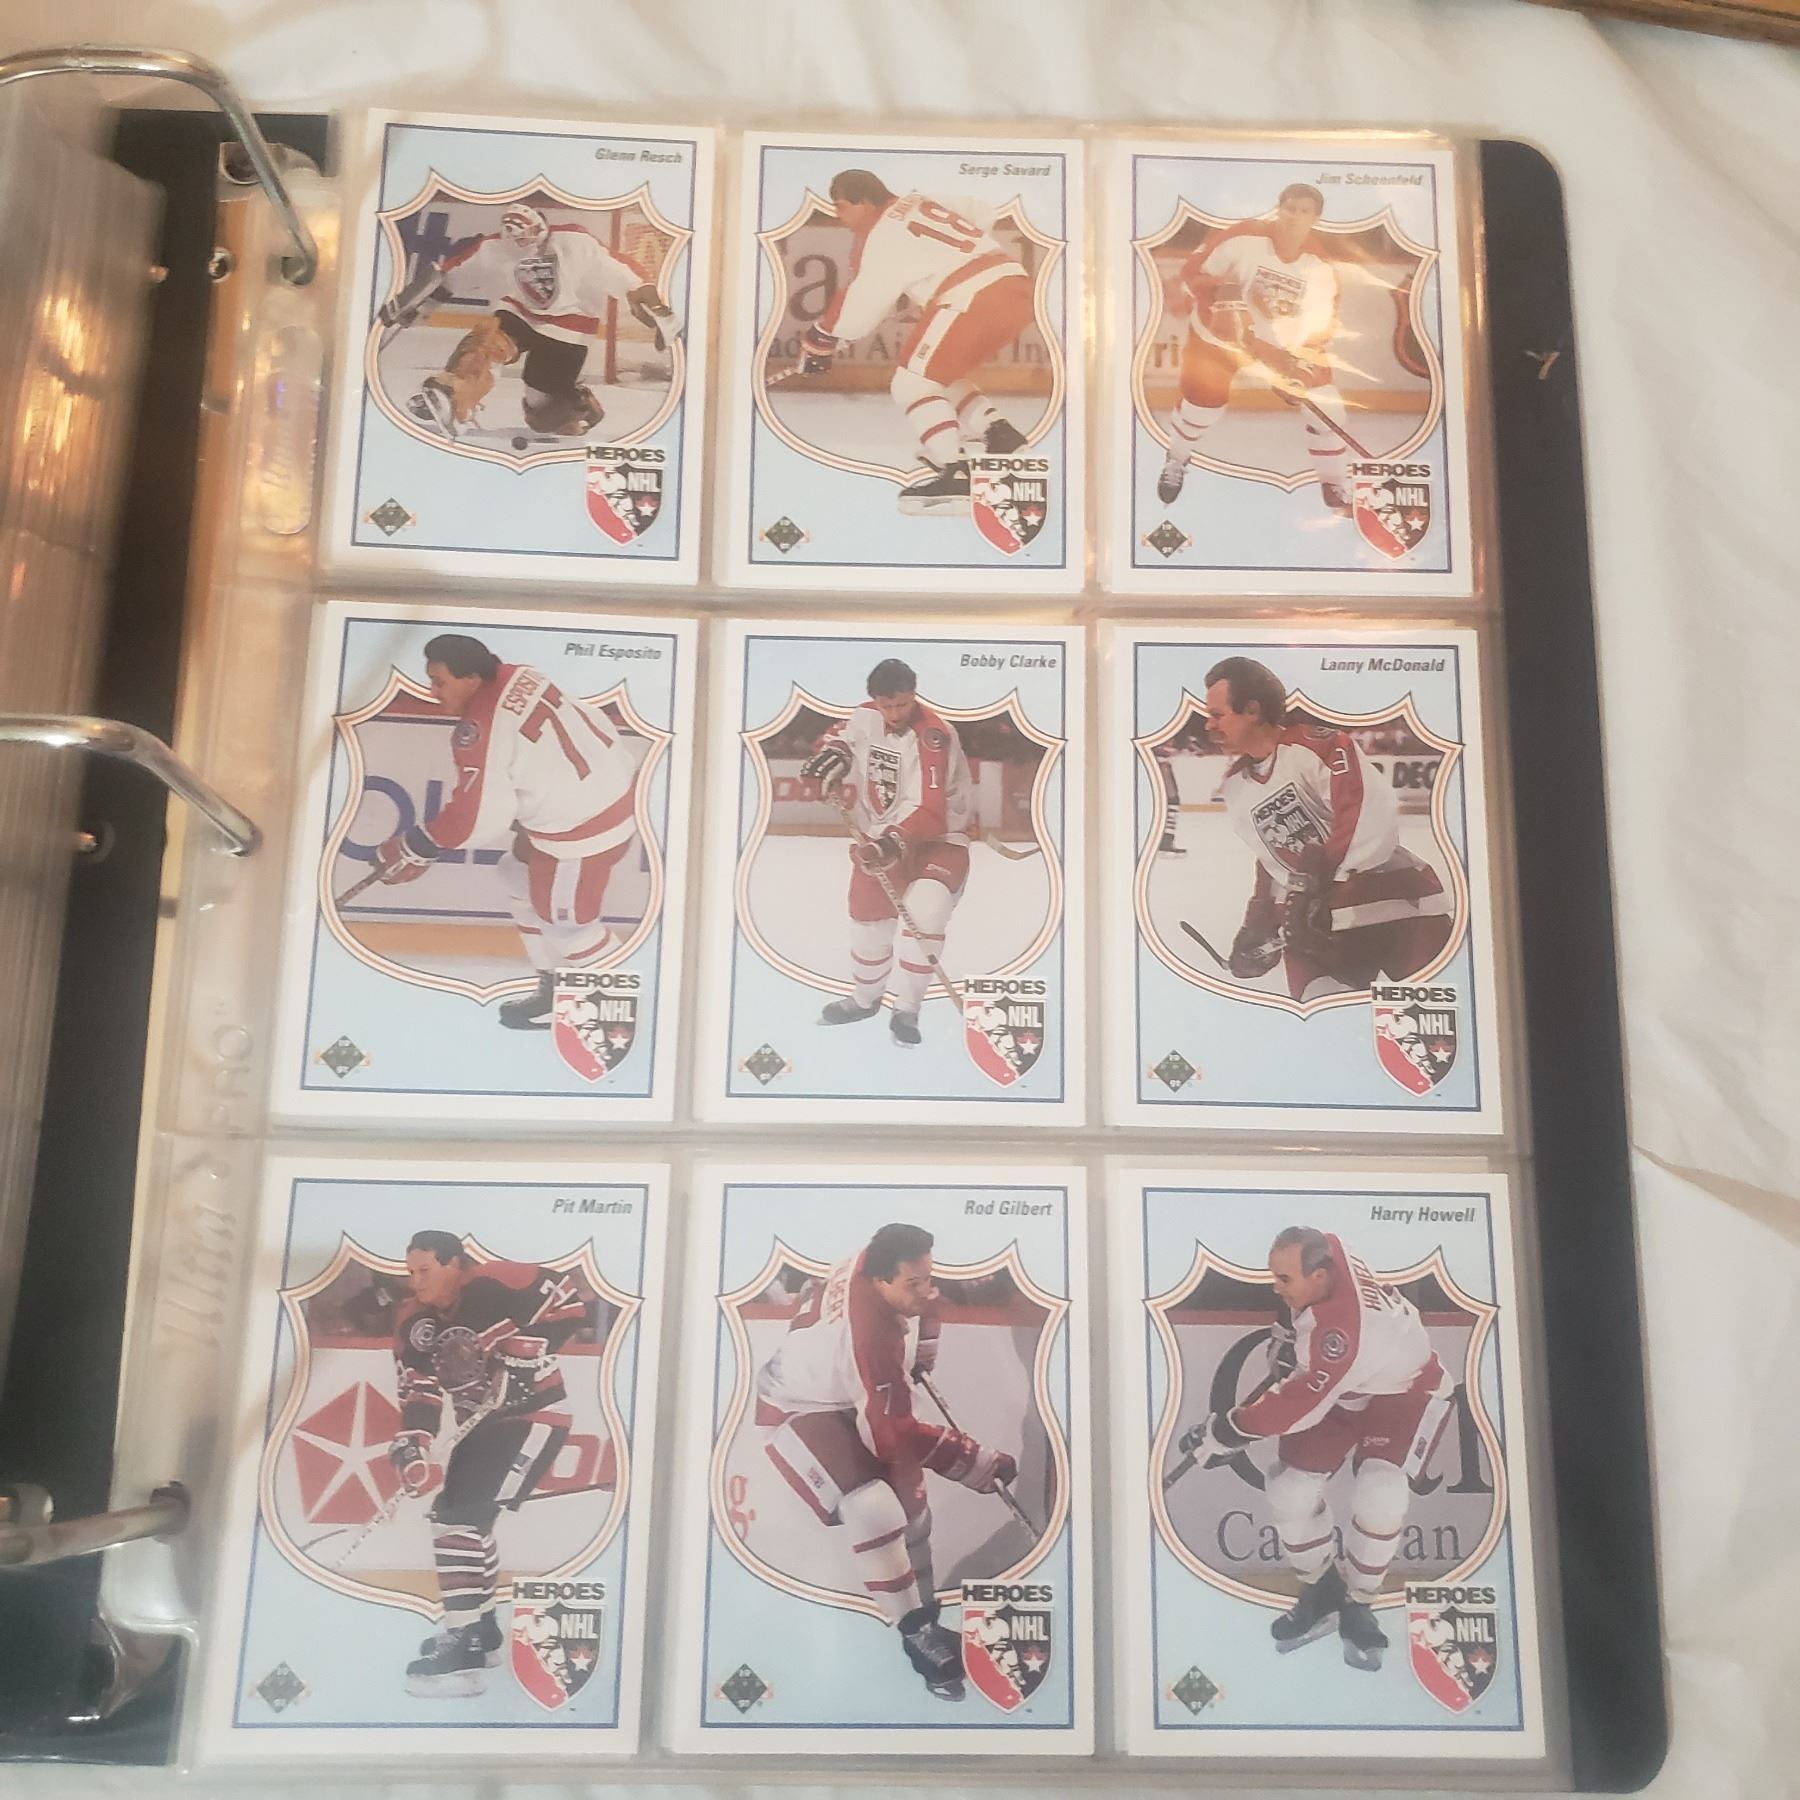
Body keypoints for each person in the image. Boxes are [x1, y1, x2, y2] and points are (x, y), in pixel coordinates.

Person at [752, 1222, 1018, 1701]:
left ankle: (928, 1618)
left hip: (839, 1389)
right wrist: (974, 1461)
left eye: (927, 1277)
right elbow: (891, 1437)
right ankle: (915, 1634)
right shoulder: (870, 1338)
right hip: (794, 1406)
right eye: (912, 1283)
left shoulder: (871, 1259)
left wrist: (923, 1347)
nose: (925, 1290)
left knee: (913, 1512)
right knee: (873, 1507)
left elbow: (915, 1307)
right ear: (880, 1279)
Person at [1179, 1225, 1453, 1673]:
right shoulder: (1330, 1247)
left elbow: (1296, 1409)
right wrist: (1293, 1340)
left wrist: (1224, 1431)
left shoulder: (1340, 1336)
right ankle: (1321, 1590)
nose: (1276, 1286)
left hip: (1407, 1390)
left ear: (1320, 1276)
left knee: (1382, 1492)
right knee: (1290, 1490)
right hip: (1348, 1384)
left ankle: (1359, 1603)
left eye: (1285, 1279)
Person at [370, 633, 641, 1030]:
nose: (433, 692)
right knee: (515, 874)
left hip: (584, 830)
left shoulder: (480, 729)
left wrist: (415, 846)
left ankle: (616, 1017)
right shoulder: (520, 674)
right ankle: (554, 987)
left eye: (439, 682)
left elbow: (476, 817)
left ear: (471, 678)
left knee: (570, 928)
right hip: (610, 794)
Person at [389, 1231, 590, 1696]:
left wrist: (530, 1345)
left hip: (534, 1415)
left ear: (455, 1264)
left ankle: (464, 1641)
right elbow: (419, 1390)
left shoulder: (496, 1281)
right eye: (411, 1272)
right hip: (478, 1425)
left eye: (426, 1270)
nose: (417, 1282)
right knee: (463, 1520)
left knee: (458, 1517)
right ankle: (480, 1631)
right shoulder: (413, 1322)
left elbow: (568, 1300)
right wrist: (415, 1447)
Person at [1201, 655, 1453, 1000]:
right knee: (1320, 1014)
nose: (1208, 726)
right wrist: (1259, 923)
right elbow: (1274, 860)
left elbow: (1363, 815)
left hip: (1396, 906)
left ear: (1253, 710)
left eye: (1217, 715)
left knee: (1426, 1018)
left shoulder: (1318, 747)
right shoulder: (1236, 786)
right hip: (1314, 926)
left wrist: (1312, 890)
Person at [786, 169, 1037, 514]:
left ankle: (955, 474)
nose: (838, 215)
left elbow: (860, 308)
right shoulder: (920, 200)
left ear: (863, 202)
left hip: (972, 295)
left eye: (841, 206)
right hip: (1015, 286)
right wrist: (936, 263)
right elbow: (981, 211)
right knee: (936, 376)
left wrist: (821, 339)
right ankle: (999, 433)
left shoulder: (880, 235)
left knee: (911, 384)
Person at [379, 201, 680, 442]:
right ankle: (452, 396)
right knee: (486, 342)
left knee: (544, 410)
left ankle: (576, 404)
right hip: (518, 313)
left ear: (543, 229)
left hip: (569, 327)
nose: (523, 245)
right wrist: (421, 305)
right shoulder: (494, 248)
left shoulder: (576, 242)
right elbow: (449, 276)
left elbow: (622, 271)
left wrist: (651, 304)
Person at [798, 658, 975, 1047]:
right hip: (880, 837)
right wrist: (835, 753)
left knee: (925, 917)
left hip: (938, 842)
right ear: (875, 700)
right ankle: (865, 1000)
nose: (895, 714)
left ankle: (907, 1010)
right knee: (868, 926)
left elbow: (931, 810)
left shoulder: (933, 735)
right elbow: (838, 736)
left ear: (914, 695)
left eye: (903, 704)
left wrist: (893, 841)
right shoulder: (865, 716)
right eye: (887, 705)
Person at [1156, 183, 1352, 514]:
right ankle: (1176, 459)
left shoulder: (1320, 267)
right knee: (1200, 412)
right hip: (1218, 339)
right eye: (1290, 209)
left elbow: (1319, 329)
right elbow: (1192, 274)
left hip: (1277, 348)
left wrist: (1299, 369)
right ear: (1278, 209)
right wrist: (1223, 293)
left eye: (1304, 212)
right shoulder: (1243, 236)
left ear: (1316, 219)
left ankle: (1334, 482)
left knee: (1329, 410)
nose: (1294, 217)